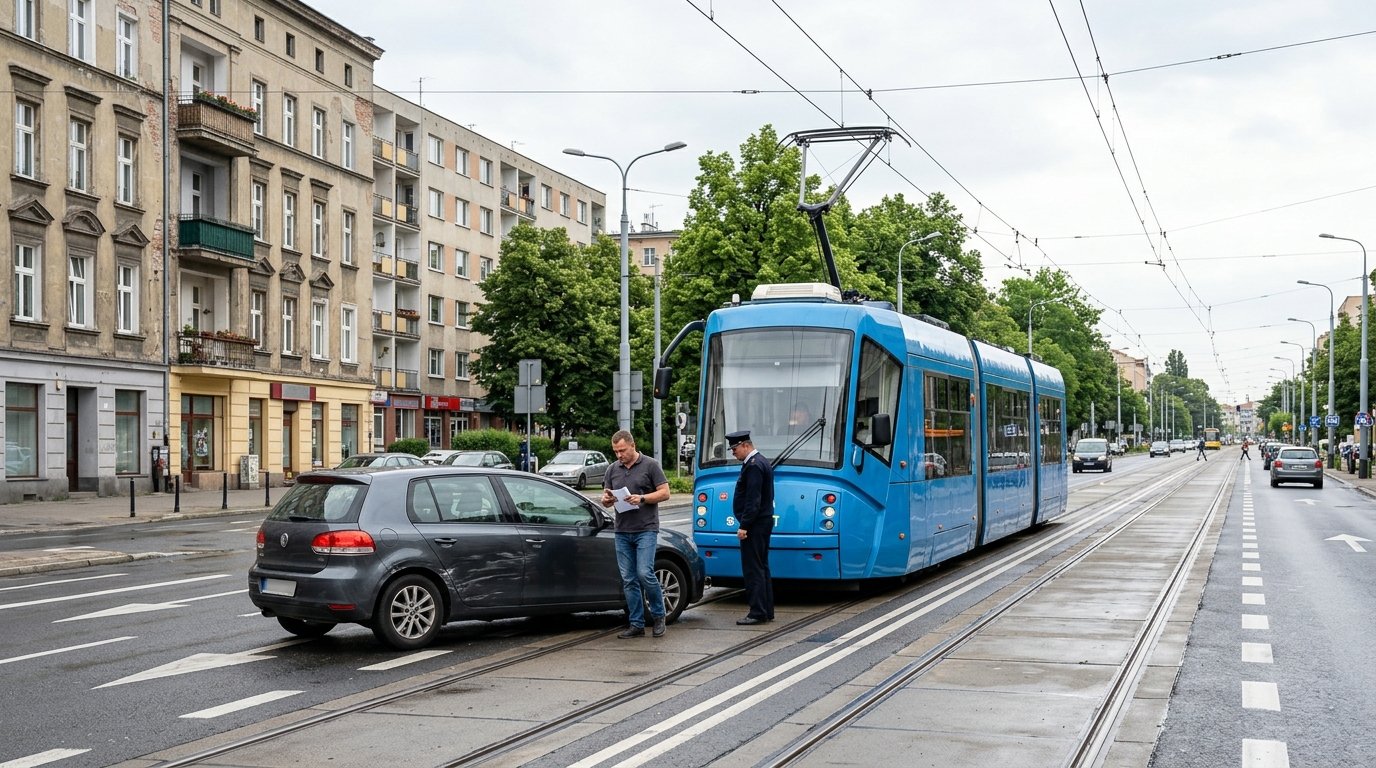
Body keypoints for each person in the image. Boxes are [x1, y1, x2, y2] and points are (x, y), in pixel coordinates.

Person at [600, 430, 671, 639]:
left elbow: (665, 493)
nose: (619, 455)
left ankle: (659, 616)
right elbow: (606, 495)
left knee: (644, 573)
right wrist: (606, 500)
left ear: (633, 445)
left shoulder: (650, 465)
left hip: (646, 528)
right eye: (615, 451)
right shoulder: (613, 469)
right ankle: (636, 623)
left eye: (622, 450)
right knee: (628, 579)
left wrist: (642, 498)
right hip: (622, 530)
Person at [727, 430, 775, 625]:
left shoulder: (754, 466)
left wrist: (744, 525)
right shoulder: (761, 461)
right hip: (762, 522)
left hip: (755, 525)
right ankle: (766, 609)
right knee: (762, 566)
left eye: (735, 448)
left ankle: (757, 612)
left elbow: (753, 500)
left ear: (745, 445)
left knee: (753, 569)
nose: (733, 453)